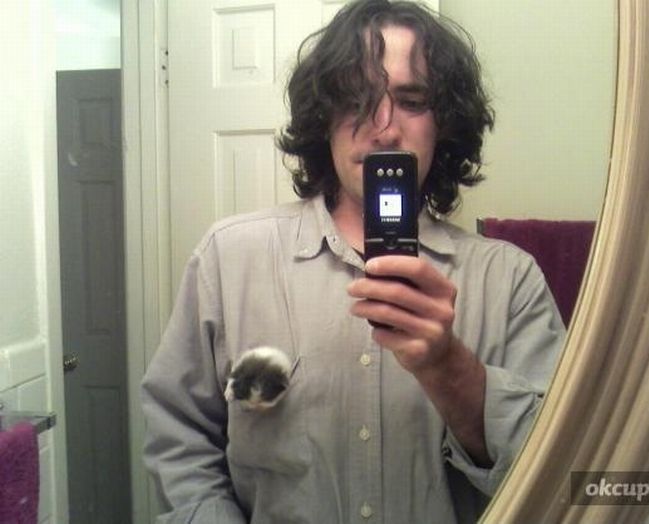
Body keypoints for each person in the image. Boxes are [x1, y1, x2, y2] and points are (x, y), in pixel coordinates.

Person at [141, 1, 565, 522]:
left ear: (445, 124)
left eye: (412, 100)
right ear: (323, 118)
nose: (383, 129)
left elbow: (556, 469)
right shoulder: (229, 259)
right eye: (355, 97)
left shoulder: (511, 280)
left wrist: (450, 370)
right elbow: (180, 440)